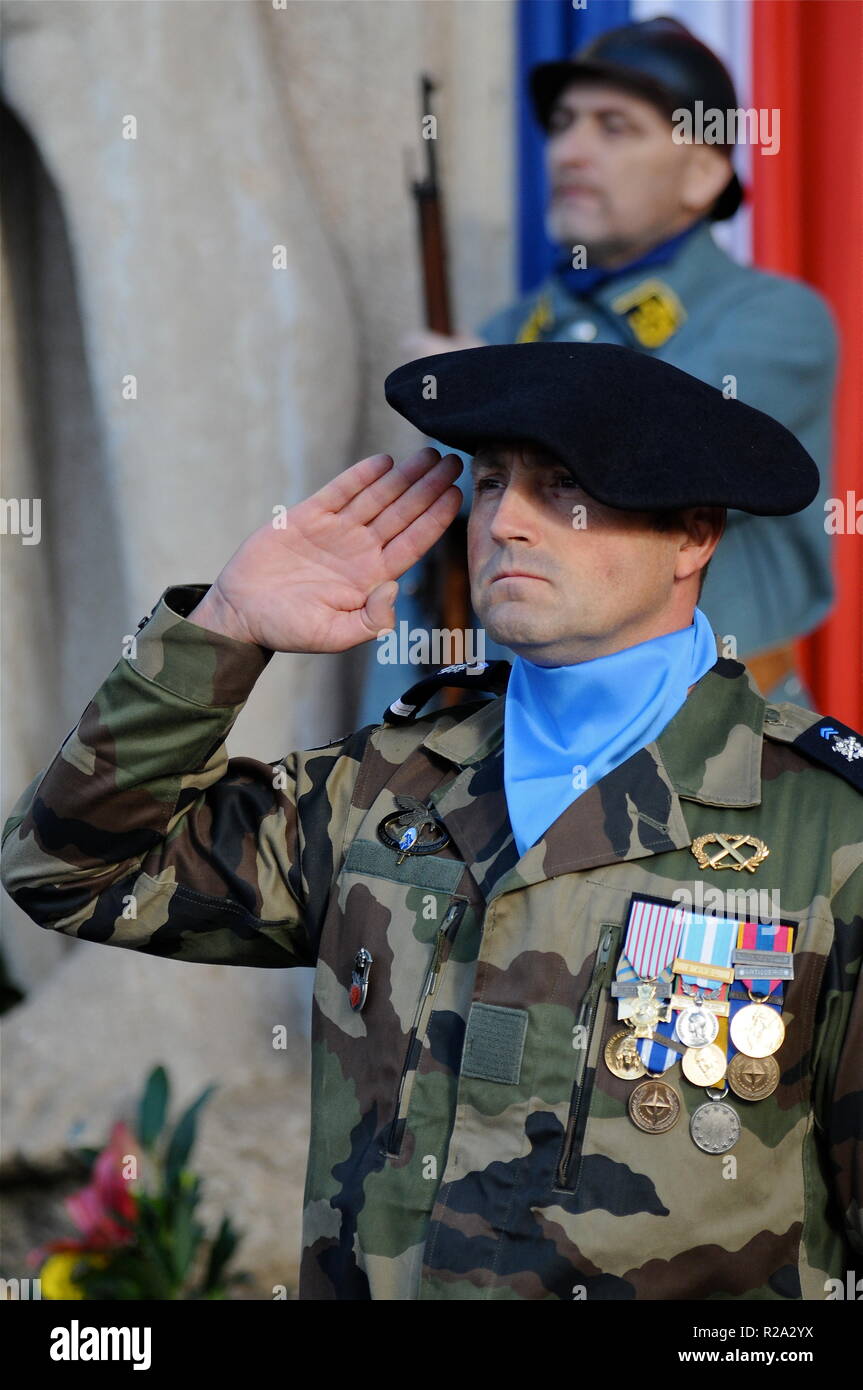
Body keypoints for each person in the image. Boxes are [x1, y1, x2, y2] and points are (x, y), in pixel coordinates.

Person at [2, 344, 860, 1303]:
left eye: (562, 488)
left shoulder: (825, 828)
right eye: (490, 485)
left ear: (693, 535)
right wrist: (225, 631)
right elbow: (65, 871)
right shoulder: (387, 782)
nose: (506, 523)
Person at [359, 16, 837, 726]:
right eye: (562, 124)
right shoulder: (505, 335)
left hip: (718, 736)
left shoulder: (772, 317)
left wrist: (480, 379)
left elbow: (650, 443)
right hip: (522, 739)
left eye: (614, 127)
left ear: (703, 172)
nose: (570, 152)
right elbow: (434, 565)